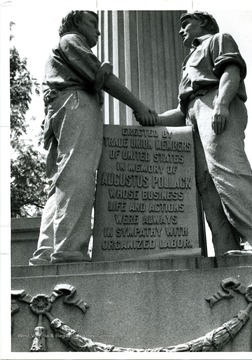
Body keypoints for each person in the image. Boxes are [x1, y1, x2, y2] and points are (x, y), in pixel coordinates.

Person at [29, 10, 157, 265]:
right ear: (77, 23)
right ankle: (69, 251)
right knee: (79, 176)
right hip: (76, 104)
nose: (98, 31)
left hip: (63, 106)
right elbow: (104, 77)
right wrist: (139, 106)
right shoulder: (71, 40)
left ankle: (47, 251)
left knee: (64, 180)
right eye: (93, 23)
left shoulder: (63, 47)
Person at [138, 11, 252, 256]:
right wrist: (155, 119)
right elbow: (181, 109)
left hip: (215, 104)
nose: (180, 31)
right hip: (193, 114)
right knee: (206, 184)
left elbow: (231, 70)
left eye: (186, 23)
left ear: (204, 24)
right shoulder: (187, 61)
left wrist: (221, 104)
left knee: (227, 169)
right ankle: (225, 249)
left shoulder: (218, 39)